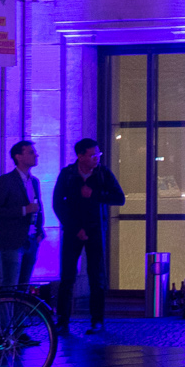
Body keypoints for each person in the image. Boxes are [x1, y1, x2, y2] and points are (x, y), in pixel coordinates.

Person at [52, 137, 125, 336]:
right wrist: (75, 228)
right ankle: (63, 321)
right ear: (80, 156)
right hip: (72, 231)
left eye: (98, 154)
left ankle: (97, 321)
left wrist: (94, 194)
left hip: (95, 231)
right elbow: (58, 204)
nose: (96, 158)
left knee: (96, 277)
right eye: (92, 155)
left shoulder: (102, 174)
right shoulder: (67, 174)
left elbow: (119, 198)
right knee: (67, 277)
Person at [0, 139, 45, 289]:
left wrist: (40, 231)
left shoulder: (34, 181)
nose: (36, 155)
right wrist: (24, 210)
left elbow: (39, 207)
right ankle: (7, 313)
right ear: (18, 157)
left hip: (31, 239)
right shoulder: (5, 181)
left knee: (24, 284)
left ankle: (21, 313)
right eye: (31, 152)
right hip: (12, 240)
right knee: (10, 284)